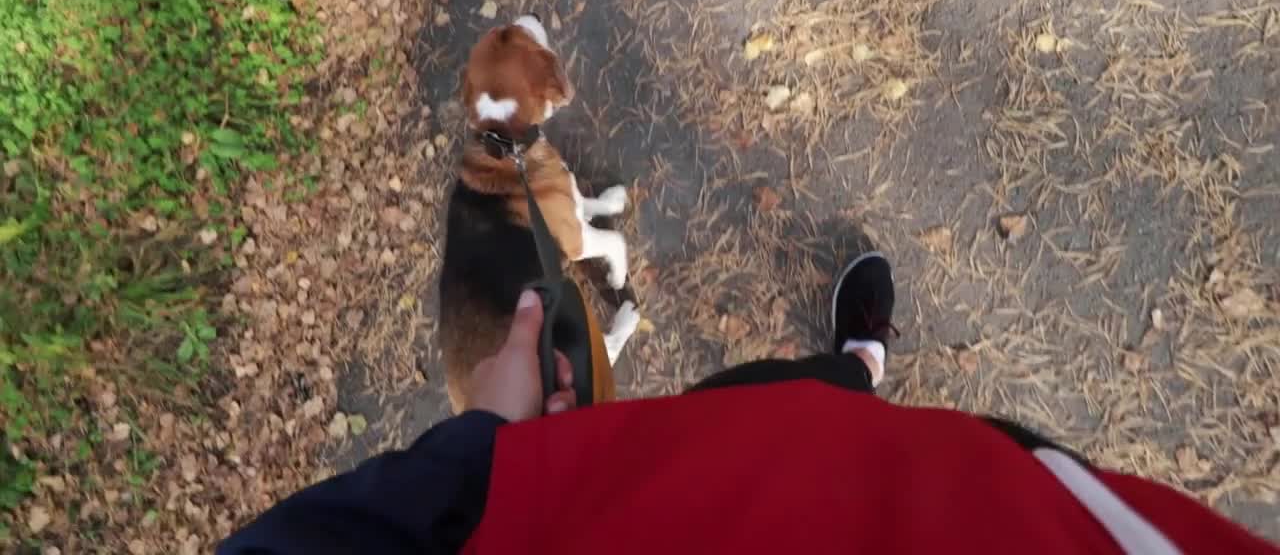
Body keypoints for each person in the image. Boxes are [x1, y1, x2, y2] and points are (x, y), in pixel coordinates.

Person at [219, 253, 1277, 554]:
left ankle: (851, 371)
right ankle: (856, 371)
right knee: (816, 418)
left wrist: (484, 444)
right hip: (951, 505)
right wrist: (487, 447)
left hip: (665, 492)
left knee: (758, 404)